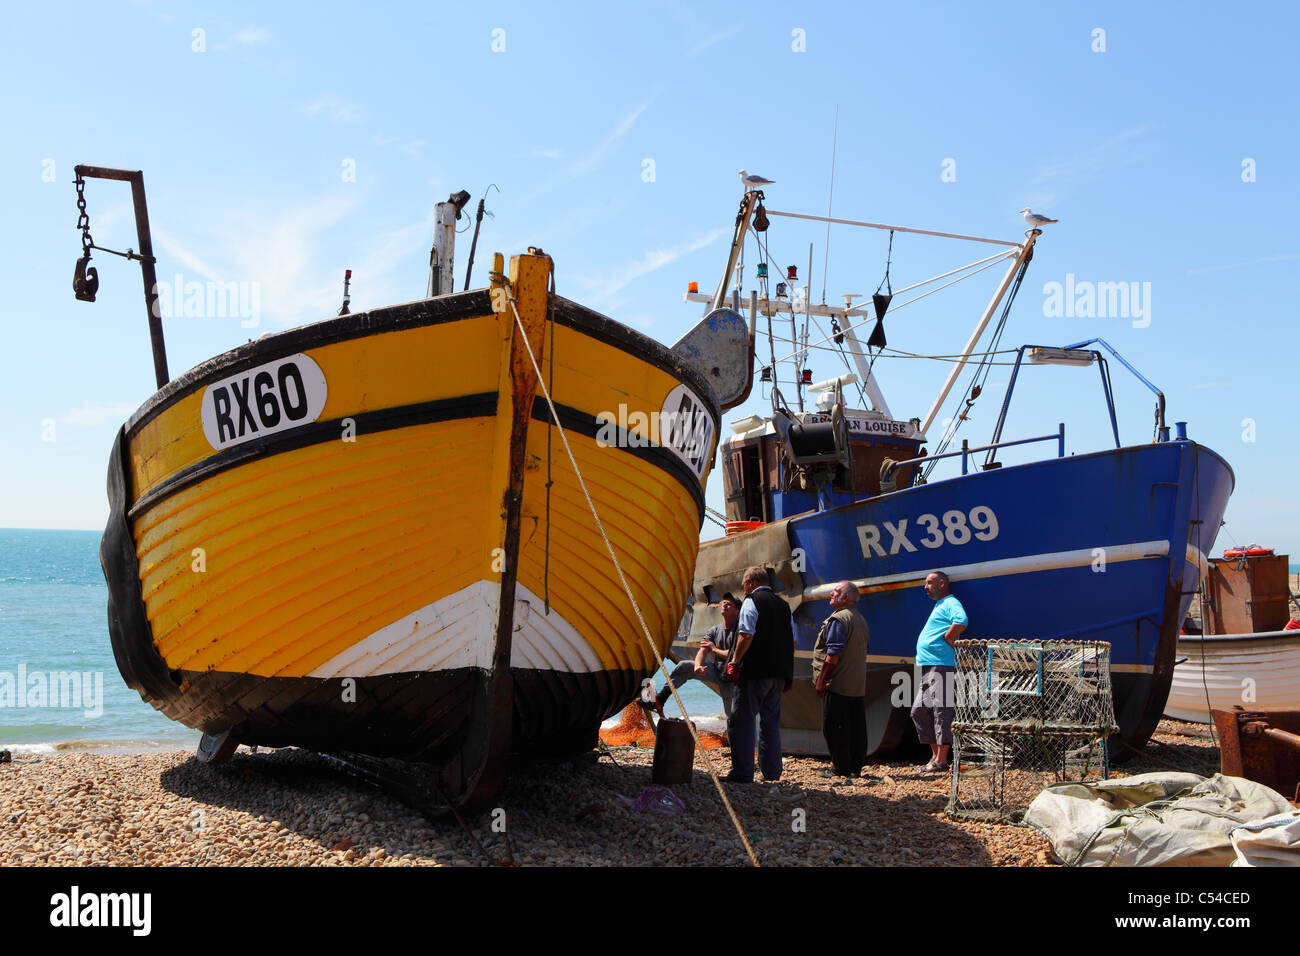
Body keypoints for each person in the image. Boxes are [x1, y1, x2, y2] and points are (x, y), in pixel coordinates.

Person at [724, 566, 794, 783]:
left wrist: (735, 662)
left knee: (742, 722)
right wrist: (788, 673)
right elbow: (792, 641)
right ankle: (772, 772)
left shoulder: (751, 602)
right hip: (778, 675)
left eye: (744, 584)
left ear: (750, 583)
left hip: (754, 673)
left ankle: (742, 773)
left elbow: (746, 634)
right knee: (770, 722)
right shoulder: (784, 605)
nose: (744, 589)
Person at [910, 570, 967, 773]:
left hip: (940, 663)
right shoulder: (939, 605)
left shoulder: (951, 602)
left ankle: (941, 761)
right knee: (918, 711)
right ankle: (935, 757)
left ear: (942, 583)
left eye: (929, 583)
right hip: (928, 665)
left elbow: (961, 621)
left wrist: (949, 639)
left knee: (941, 710)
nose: (925, 587)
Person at [811, 581, 869, 778]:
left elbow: (832, 655)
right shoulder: (860, 619)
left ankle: (840, 768)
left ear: (845, 598)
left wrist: (821, 681)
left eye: (835, 592)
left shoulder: (838, 620)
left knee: (834, 727)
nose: (831, 595)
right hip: (857, 685)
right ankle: (855, 766)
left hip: (838, 684)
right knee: (856, 726)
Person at [656, 593, 740, 718]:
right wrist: (698, 666)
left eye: (729, 604)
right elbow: (702, 650)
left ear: (737, 612)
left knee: (732, 716)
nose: (724, 605)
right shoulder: (714, 630)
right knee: (684, 666)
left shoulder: (739, 631)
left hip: (733, 677)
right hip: (718, 671)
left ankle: (736, 734)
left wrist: (714, 649)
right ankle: (660, 700)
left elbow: (734, 655)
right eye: (724, 603)